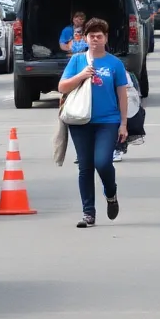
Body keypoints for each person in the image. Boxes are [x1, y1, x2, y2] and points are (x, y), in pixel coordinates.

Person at [57, 18, 128, 228]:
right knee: (85, 166)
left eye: (99, 36)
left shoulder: (114, 64)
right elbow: (62, 87)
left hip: (108, 121)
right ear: (85, 39)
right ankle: (88, 213)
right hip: (80, 121)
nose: (95, 40)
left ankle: (111, 193)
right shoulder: (78, 61)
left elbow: (122, 95)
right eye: (91, 36)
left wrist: (123, 123)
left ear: (106, 38)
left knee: (103, 162)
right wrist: (81, 75)